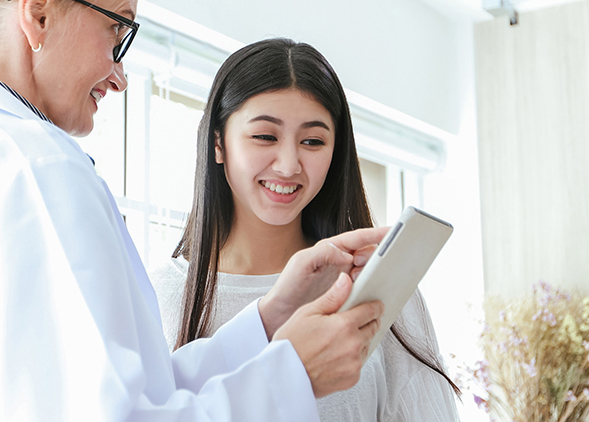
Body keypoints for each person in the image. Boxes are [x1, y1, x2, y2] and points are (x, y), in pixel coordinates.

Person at [0, 0, 390, 420]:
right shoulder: (35, 169)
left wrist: (268, 318)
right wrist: (295, 375)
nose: (119, 77)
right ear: (39, 15)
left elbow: (138, 396)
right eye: (117, 27)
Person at [150, 38, 461, 421]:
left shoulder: (382, 289)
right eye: (265, 136)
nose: (287, 165)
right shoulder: (157, 297)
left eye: (313, 141)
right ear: (218, 143)